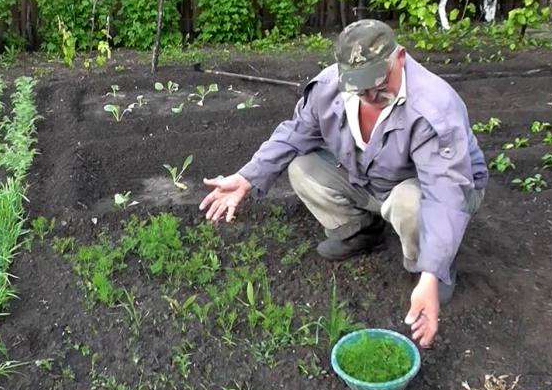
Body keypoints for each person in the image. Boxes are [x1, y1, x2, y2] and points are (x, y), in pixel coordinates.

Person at [198, 19, 488, 348]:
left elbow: (445, 195)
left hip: (435, 189)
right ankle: (362, 232)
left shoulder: (434, 108)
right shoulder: (329, 88)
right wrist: (246, 178)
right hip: (370, 178)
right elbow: (294, 135)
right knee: (304, 167)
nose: (373, 94)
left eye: (379, 81)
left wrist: (432, 275)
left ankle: (428, 267)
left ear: (400, 58)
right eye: (361, 87)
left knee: (410, 201)